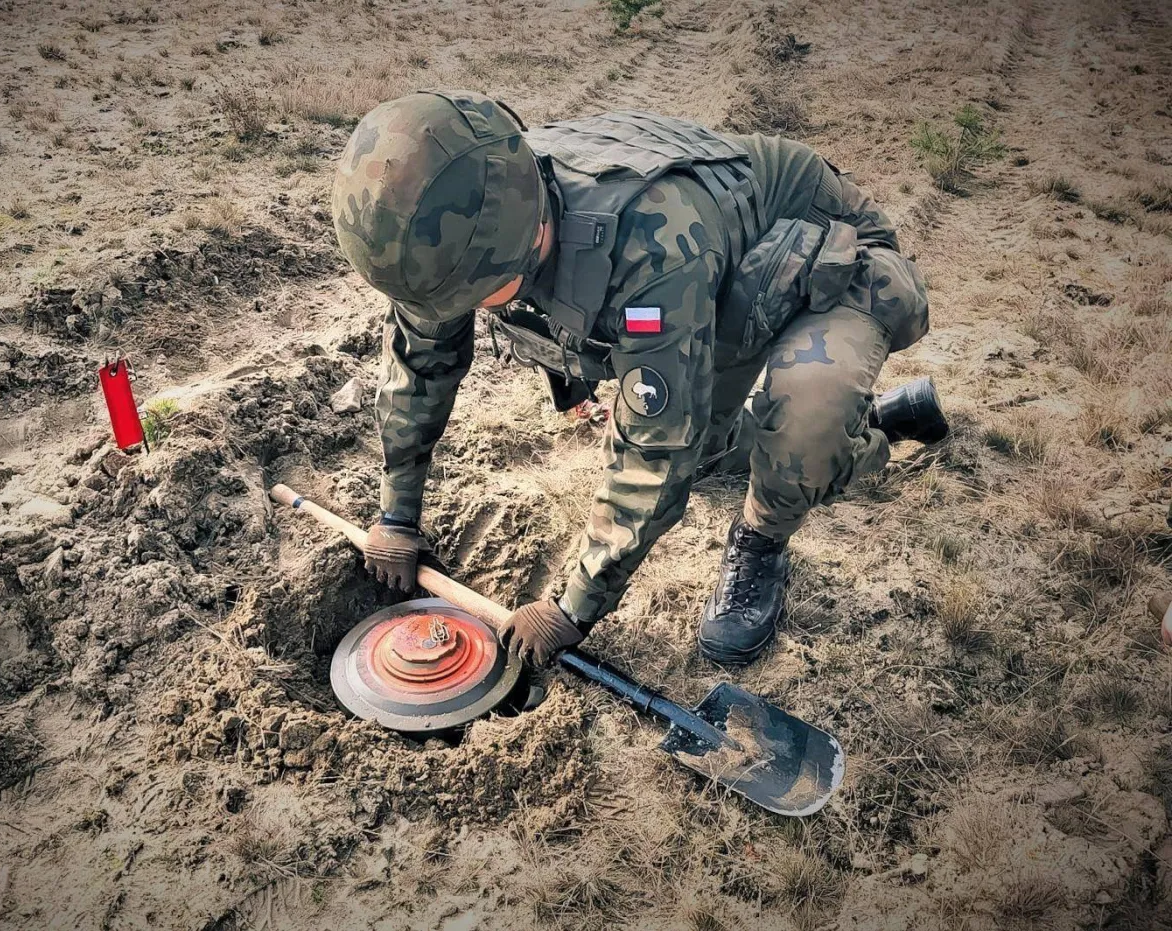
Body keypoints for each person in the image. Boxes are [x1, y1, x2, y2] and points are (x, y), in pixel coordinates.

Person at [331, 91, 949, 667]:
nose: (472, 310)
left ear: (530, 241)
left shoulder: (649, 249)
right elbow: (419, 366)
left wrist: (573, 607)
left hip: (830, 251)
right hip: (730, 279)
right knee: (707, 456)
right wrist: (397, 515)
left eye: (480, 297)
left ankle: (768, 532)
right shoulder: (463, 217)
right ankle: (882, 417)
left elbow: (656, 452)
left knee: (800, 434)